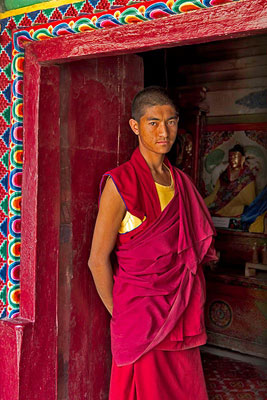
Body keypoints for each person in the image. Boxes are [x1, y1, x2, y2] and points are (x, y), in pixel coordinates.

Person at [88, 87, 217, 400]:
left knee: (183, 388)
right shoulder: (121, 182)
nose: (164, 132)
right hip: (139, 314)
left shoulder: (181, 182)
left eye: (171, 122)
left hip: (179, 307)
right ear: (136, 126)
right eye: (153, 123)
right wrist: (121, 314)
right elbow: (97, 260)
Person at [204, 144, 256, 217]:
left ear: (242, 159)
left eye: (235, 157)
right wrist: (200, 203)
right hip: (220, 208)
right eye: (230, 157)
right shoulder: (224, 176)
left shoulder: (248, 178)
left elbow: (251, 202)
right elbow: (215, 195)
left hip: (237, 210)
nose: (232, 160)